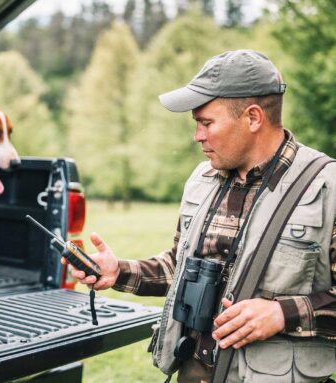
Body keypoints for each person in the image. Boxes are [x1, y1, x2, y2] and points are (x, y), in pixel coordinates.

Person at [63, 50, 336, 382]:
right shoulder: (201, 179)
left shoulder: (327, 188)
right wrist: (118, 271)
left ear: (252, 118)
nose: (197, 136)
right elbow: (180, 268)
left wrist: (283, 314)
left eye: (206, 123)